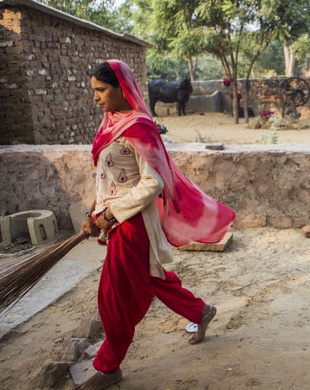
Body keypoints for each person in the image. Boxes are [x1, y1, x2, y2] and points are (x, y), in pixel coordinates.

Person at [76, 60, 235, 390]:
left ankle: (109, 366)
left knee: (114, 297)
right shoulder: (112, 123)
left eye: (101, 90)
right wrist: (93, 213)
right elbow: (105, 180)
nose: (96, 97)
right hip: (115, 219)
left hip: (132, 225)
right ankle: (200, 311)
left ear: (122, 89)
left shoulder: (139, 128)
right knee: (152, 277)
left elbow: (153, 183)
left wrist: (109, 216)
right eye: (93, 90)